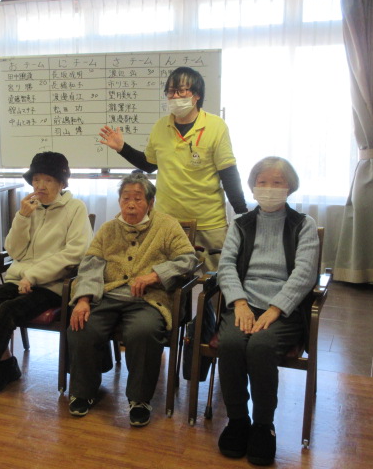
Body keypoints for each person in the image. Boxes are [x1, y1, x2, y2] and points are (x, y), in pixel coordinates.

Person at [0, 151, 93, 413]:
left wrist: (34, 275)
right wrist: (22, 217)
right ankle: (7, 365)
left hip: (52, 285)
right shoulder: (30, 207)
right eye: (36, 179)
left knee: (7, 310)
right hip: (20, 278)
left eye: (48, 180)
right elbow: (14, 250)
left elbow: (75, 253)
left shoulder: (75, 208)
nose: (40, 186)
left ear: (61, 183)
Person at [67, 172, 197, 427]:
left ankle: (139, 400)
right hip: (108, 295)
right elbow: (91, 264)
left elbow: (188, 259)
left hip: (149, 299)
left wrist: (155, 275)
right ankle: (83, 392)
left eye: (138, 198)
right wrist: (83, 299)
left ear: (150, 203)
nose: (131, 204)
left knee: (143, 331)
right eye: (125, 198)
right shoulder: (109, 228)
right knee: (82, 325)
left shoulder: (167, 226)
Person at [215, 156, 319, 466]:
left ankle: (263, 425)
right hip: (244, 303)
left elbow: (305, 274)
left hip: (284, 309)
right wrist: (240, 303)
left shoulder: (303, 224)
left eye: (277, 182)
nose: (269, 188)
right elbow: (226, 266)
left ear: (290, 187)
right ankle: (237, 420)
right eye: (262, 182)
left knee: (260, 346)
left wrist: (275, 309)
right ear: (252, 186)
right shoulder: (241, 223)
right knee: (231, 343)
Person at [98, 66, 247, 271]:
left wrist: (242, 213)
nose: (175, 96)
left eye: (181, 91)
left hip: (208, 222)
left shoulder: (216, 126)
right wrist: (123, 148)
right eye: (170, 91)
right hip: (167, 221)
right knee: (165, 279)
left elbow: (228, 173)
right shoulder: (161, 126)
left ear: (197, 95)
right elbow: (149, 164)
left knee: (214, 280)